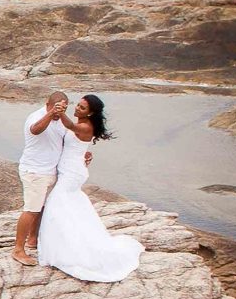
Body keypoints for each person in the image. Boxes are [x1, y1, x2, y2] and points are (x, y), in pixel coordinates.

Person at [36, 94, 141, 283]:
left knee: (55, 206)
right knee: (69, 206)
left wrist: (58, 112)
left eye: (82, 108)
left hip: (72, 173)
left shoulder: (84, 126)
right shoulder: (83, 125)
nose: (77, 109)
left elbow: (70, 127)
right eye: (78, 105)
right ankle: (68, 244)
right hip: (71, 169)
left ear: (91, 113)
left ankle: (67, 250)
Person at [12, 90, 75, 266]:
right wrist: (51, 114)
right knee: (31, 209)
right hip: (34, 171)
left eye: (64, 108)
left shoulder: (61, 120)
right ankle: (18, 249)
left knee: (42, 208)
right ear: (48, 104)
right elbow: (36, 130)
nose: (60, 112)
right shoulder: (36, 117)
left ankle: (33, 240)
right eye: (57, 107)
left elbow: (65, 142)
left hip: (50, 171)